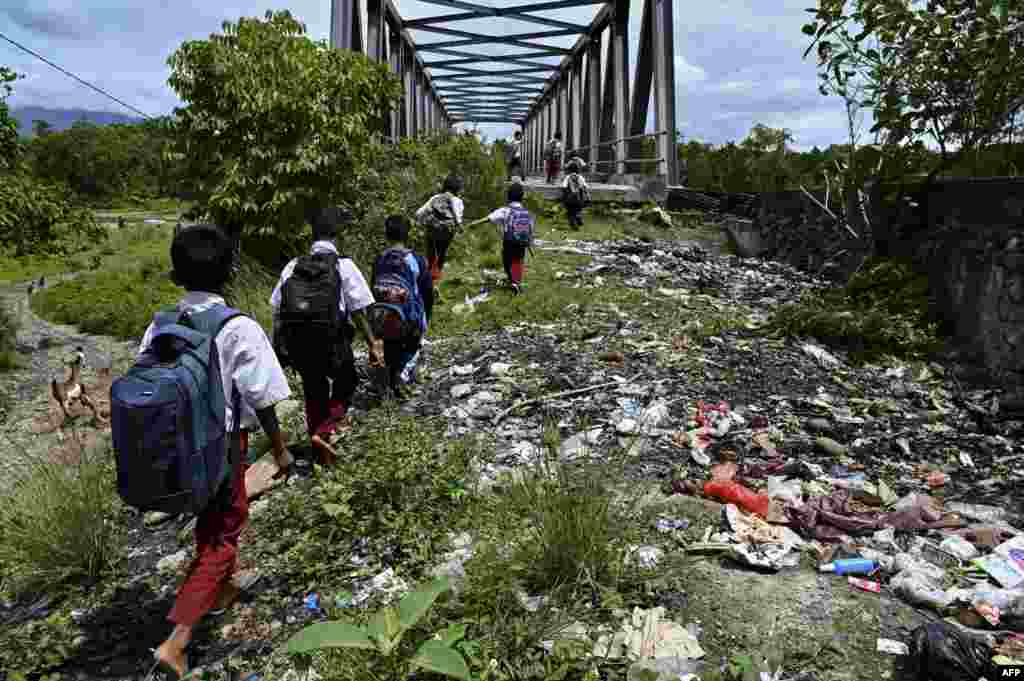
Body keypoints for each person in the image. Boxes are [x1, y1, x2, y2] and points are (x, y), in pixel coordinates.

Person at [141, 224, 294, 679]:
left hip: (174, 448)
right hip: (221, 446)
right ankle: (177, 640)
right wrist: (281, 449)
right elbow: (263, 397)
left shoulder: (161, 323)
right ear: (229, 271)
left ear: (177, 274)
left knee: (211, 524)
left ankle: (222, 588)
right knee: (226, 532)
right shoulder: (237, 326)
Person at [271, 206, 384, 465]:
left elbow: (278, 308)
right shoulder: (344, 265)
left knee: (313, 389)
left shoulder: (292, 266)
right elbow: (358, 311)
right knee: (347, 381)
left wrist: (278, 346)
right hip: (333, 342)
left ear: (313, 236)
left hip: (299, 342)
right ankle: (325, 432)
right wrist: (373, 344)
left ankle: (318, 447)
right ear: (337, 236)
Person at [368, 215, 434, 399]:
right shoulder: (416, 259)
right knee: (411, 341)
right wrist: (426, 316)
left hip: (382, 316)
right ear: (408, 234)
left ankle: (386, 379)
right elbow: (427, 291)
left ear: (386, 234)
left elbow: (372, 287)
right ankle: (399, 376)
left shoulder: (379, 259)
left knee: (389, 342)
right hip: (408, 318)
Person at [468, 182, 534, 295]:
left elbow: (489, 218)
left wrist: (475, 223)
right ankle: (516, 282)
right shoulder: (526, 213)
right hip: (522, 243)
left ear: (508, 197)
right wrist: (529, 243)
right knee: (518, 261)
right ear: (522, 197)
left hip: (509, 242)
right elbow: (530, 230)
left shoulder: (505, 210)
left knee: (507, 261)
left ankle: (512, 280)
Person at [415, 174, 465, 292]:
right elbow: (458, 218)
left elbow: (419, 213)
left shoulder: (435, 197)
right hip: (447, 233)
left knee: (431, 257)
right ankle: (434, 284)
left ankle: (426, 284)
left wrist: (423, 222)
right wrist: (459, 227)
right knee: (440, 256)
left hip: (432, 230)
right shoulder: (458, 201)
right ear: (457, 188)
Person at [561, 157, 592, 229]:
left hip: (570, 198)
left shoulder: (568, 177)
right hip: (579, 198)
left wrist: (564, 198)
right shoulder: (580, 177)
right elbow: (585, 187)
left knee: (570, 212)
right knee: (578, 209)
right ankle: (578, 217)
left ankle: (573, 224)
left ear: (569, 170)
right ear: (578, 170)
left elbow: (564, 187)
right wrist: (588, 197)